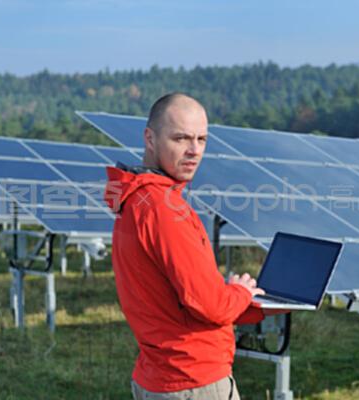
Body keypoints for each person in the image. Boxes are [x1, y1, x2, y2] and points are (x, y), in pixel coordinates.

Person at [105, 93, 275, 399]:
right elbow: (209, 304)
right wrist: (239, 292)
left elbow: (176, 294)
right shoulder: (164, 210)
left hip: (159, 374)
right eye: (181, 138)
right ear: (150, 138)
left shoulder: (135, 200)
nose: (194, 150)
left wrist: (231, 297)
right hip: (192, 380)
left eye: (202, 139)